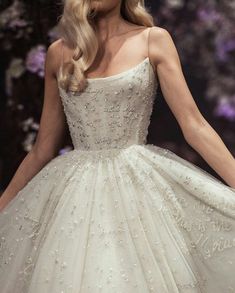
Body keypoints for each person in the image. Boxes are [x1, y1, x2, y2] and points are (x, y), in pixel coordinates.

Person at [1, 0, 235, 292]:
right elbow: (42, 149)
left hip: (141, 192)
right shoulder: (60, 53)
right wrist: (4, 203)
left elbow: (194, 126)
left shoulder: (153, 40)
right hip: (74, 201)